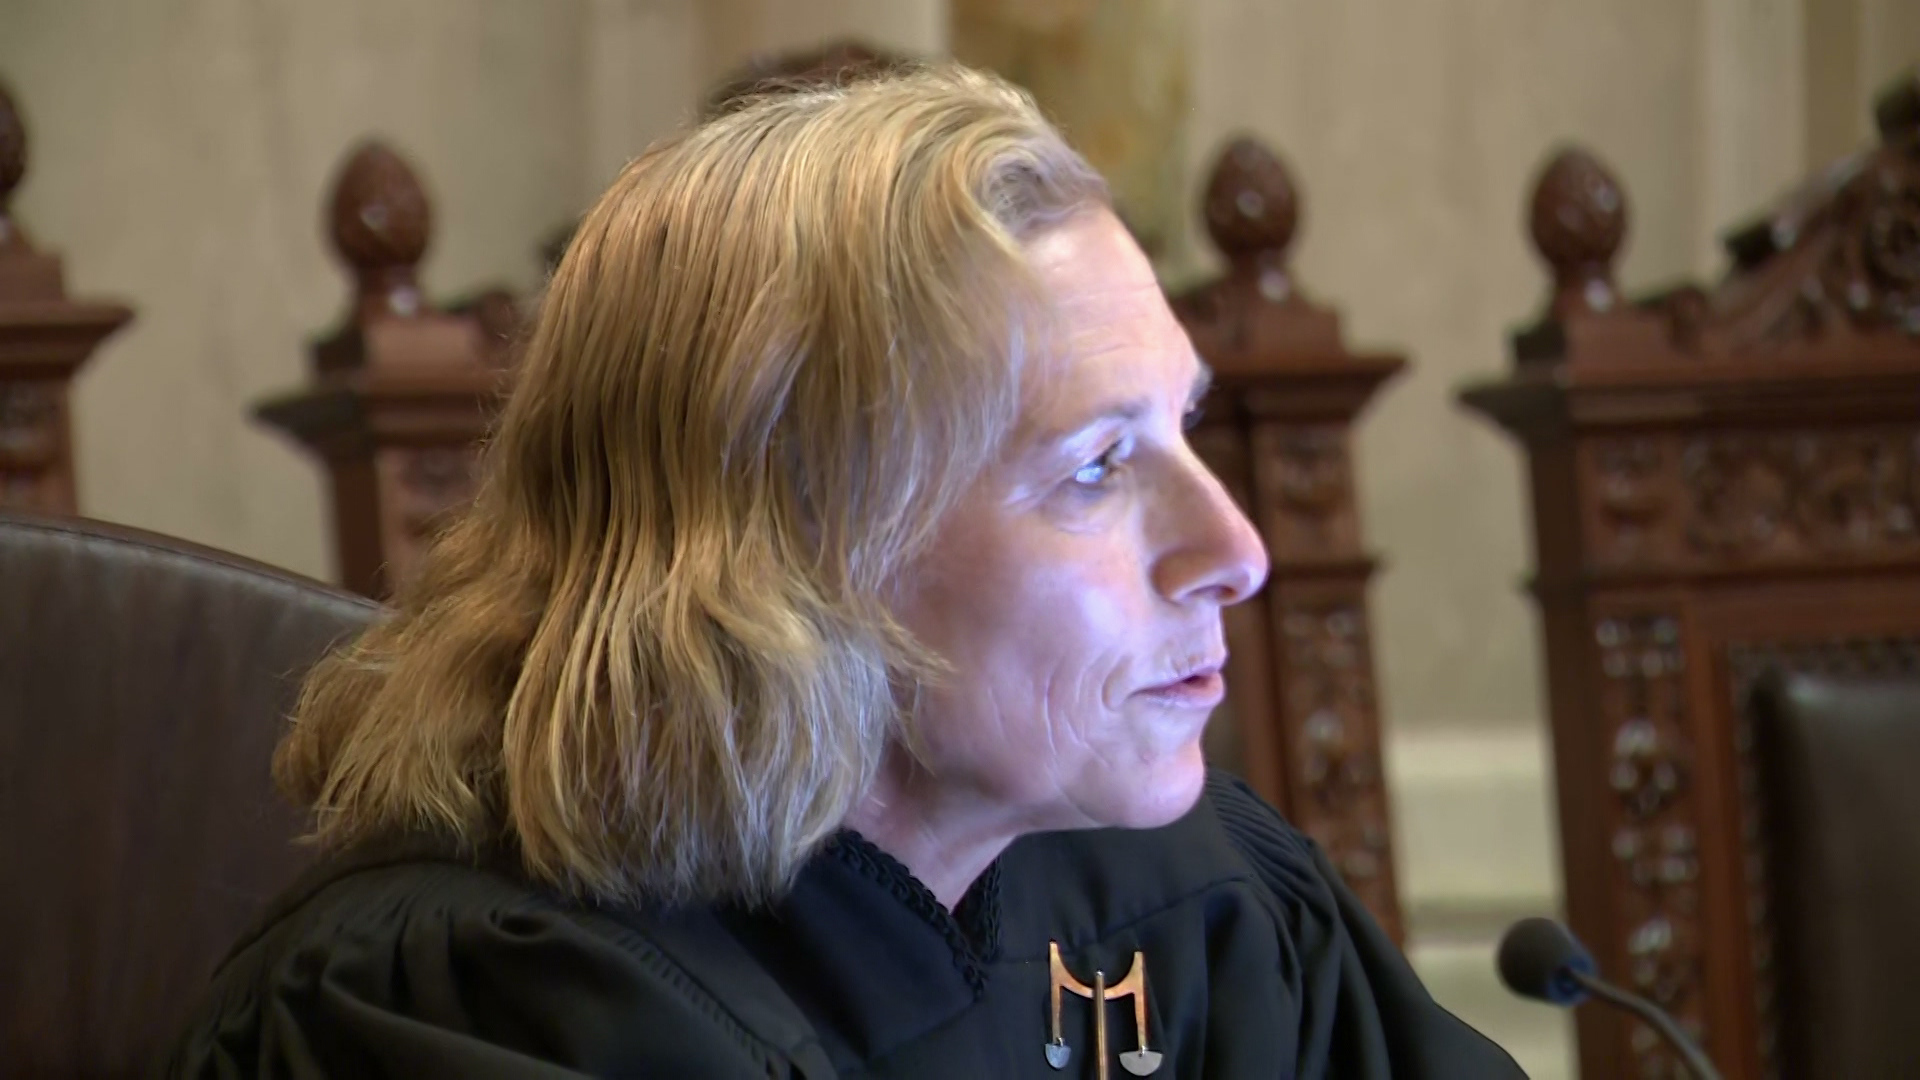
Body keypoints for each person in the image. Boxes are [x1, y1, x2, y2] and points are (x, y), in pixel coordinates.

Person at [167, 65, 1525, 1079]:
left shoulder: (1191, 894)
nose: (1237, 551)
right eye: (1100, 467)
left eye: (1189, 425)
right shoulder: (455, 1016)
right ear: (795, 549)